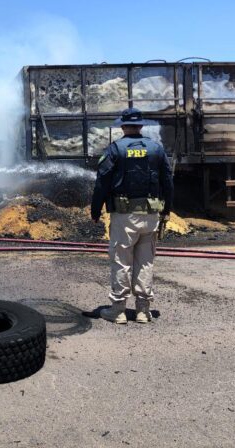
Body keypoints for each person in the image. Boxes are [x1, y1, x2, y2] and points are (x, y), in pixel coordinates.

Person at [89, 108, 174, 324]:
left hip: (124, 216)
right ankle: (143, 311)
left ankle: (118, 310)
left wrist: (96, 210)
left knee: (121, 261)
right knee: (145, 262)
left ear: (123, 126)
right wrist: (167, 208)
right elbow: (167, 180)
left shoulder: (115, 149)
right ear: (141, 126)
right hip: (151, 214)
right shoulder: (156, 149)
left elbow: (102, 182)